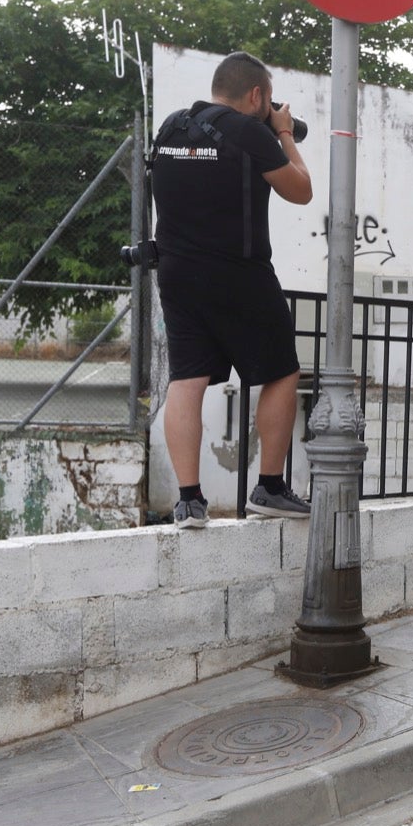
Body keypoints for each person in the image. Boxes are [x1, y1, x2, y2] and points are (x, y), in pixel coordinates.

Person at [151, 50, 313, 528]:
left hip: (176, 273)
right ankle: (269, 487)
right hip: (238, 273)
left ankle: (188, 501)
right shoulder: (249, 131)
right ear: (257, 95)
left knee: (187, 380)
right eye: (268, 102)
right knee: (282, 371)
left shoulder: (171, 129)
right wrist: (282, 131)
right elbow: (300, 188)